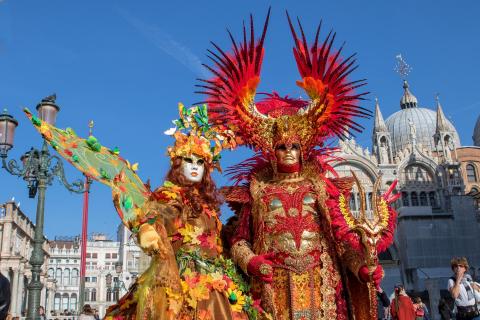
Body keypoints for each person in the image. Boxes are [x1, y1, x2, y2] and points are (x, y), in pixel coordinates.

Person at [201, 10, 399, 320]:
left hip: (321, 288)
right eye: (282, 147)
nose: (289, 152)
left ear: (303, 148)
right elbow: (239, 239)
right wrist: (252, 261)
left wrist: (361, 268)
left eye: (294, 146)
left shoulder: (319, 184)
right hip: (271, 290)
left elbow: (340, 240)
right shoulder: (258, 188)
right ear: (272, 149)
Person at [26, 105, 257, 319]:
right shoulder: (171, 195)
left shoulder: (209, 206)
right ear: (178, 164)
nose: (195, 166)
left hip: (220, 283)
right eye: (189, 160)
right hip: (182, 278)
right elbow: (162, 213)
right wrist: (150, 227)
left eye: (200, 162)